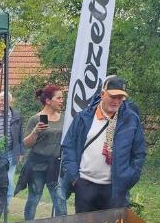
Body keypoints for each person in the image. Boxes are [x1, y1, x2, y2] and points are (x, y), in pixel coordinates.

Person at [59, 76, 146, 213]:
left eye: (120, 97)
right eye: (113, 97)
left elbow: (139, 153)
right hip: (84, 185)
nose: (116, 101)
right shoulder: (83, 118)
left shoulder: (131, 119)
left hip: (115, 190)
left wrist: (129, 178)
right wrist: (75, 179)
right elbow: (68, 148)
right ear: (102, 94)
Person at [17, 85, 66, 219]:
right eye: (59, 98)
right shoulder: (36, 119)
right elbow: (26, 144)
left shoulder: (64, 118)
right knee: (34, 198)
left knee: (59, 200)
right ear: (48, 101)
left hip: (55, 165)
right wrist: (35, 131)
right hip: (37, 165)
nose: (62, 100)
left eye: (62, 98)